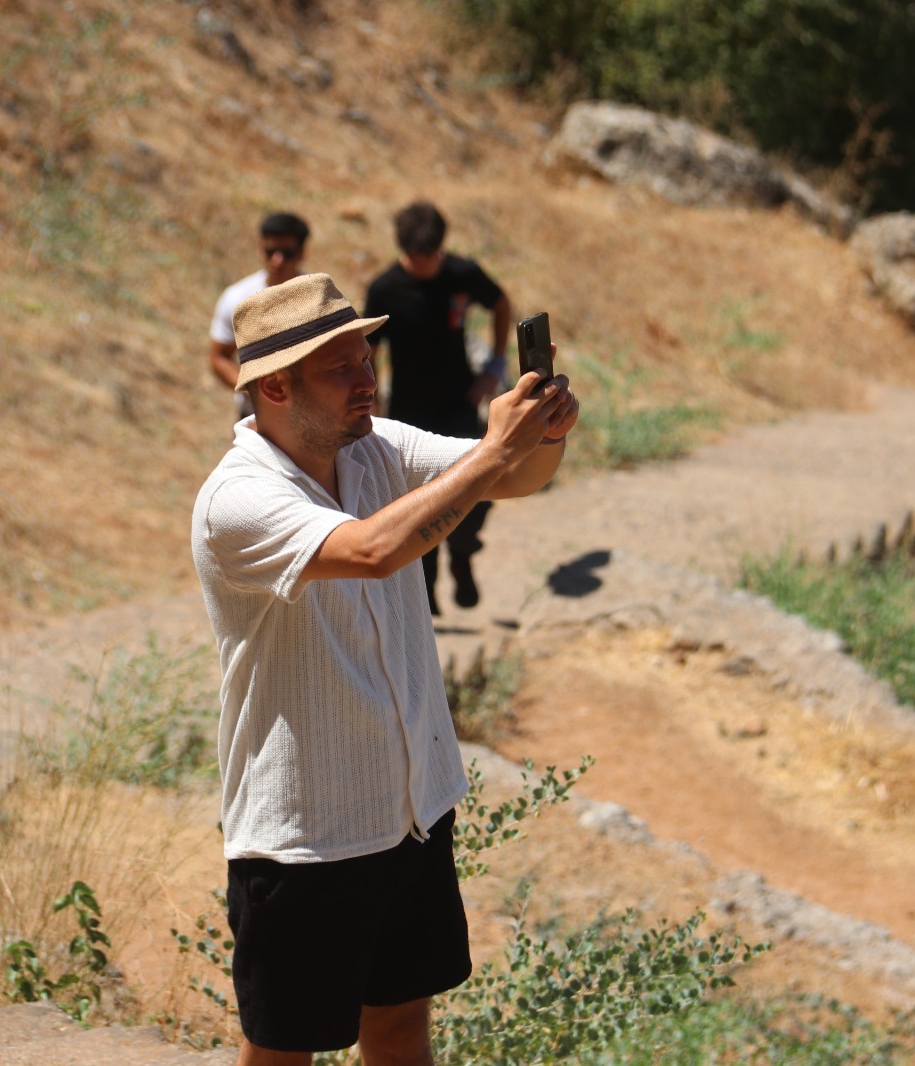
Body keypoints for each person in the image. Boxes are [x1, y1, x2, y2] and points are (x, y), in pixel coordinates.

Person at [190, 272, 577, 1065]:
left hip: (407, 813)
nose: (367, 379)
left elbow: (511, 479)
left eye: (366, 357)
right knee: (283, 1053)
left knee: (401, 1030)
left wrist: (542, 438)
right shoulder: (236, 500)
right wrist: (496, 450)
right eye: (341, 368)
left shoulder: (377, 449)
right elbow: (371, 551)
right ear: (271, 386)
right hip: (306, 838)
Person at [363, 201, 513, 614]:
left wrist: (495, 366)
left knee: (476, 490)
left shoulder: (462, 274)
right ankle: (425, 595)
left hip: (460, 404)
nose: (424, 264)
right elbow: (367, 351)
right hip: (409, 412)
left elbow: (502, 304)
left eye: (430, 256)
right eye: (416, 256)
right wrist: (371, 403)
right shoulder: (385, 289)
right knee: (420, 500)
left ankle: (463, 556)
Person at [209, 212, 312, 426]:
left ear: (302, 253)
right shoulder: (238, 298)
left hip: (310, 415)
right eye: (270, 251)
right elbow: (218, 356)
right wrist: (253, 389)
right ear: (259, 248)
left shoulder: (317, 298)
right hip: (256, 416)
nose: (277, 260)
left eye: (287, 253)